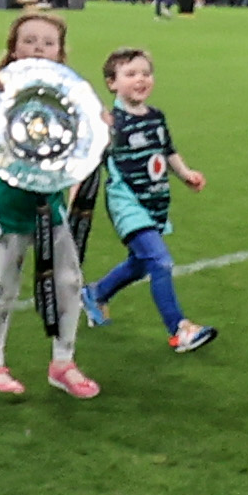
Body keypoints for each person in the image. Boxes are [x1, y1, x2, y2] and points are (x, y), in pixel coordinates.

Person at [0, 6, 101, 401]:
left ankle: (63, 362)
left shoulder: (67, 96)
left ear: (61, 53)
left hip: (51, 207)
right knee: (5, 288)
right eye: (29, 41)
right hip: (8, 206)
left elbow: (82, 144)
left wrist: (99, 128)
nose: (38, 48)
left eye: (48, 43)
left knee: (69, 282)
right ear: (13, 49)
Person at [79, 43, 217, 352]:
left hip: (155, 200)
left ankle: (96, 294)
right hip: (127, 201)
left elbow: (167, 151)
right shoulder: (110, 123)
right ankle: (179, 329)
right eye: (130, 74)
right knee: (160, 261)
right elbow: (89, 160)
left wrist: (186, 174)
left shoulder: (156, 117)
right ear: (112, 83)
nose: (141, 79)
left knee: (141, 263)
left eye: (146, 73)